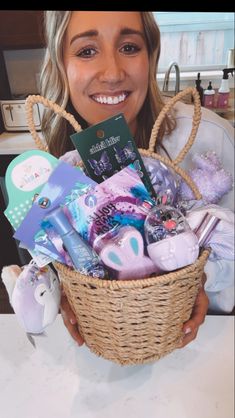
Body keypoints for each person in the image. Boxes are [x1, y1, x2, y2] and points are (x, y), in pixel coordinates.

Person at [39, 11, 234, 347]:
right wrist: (63, 291)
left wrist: (203, 277)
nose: (113, 73)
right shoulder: (61, 167)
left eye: (129, 47)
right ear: (61, 65)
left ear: (150, 56)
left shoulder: (206, 137)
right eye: (87, 51)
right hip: (109, 349)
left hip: (206, 346)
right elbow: (49, 256)